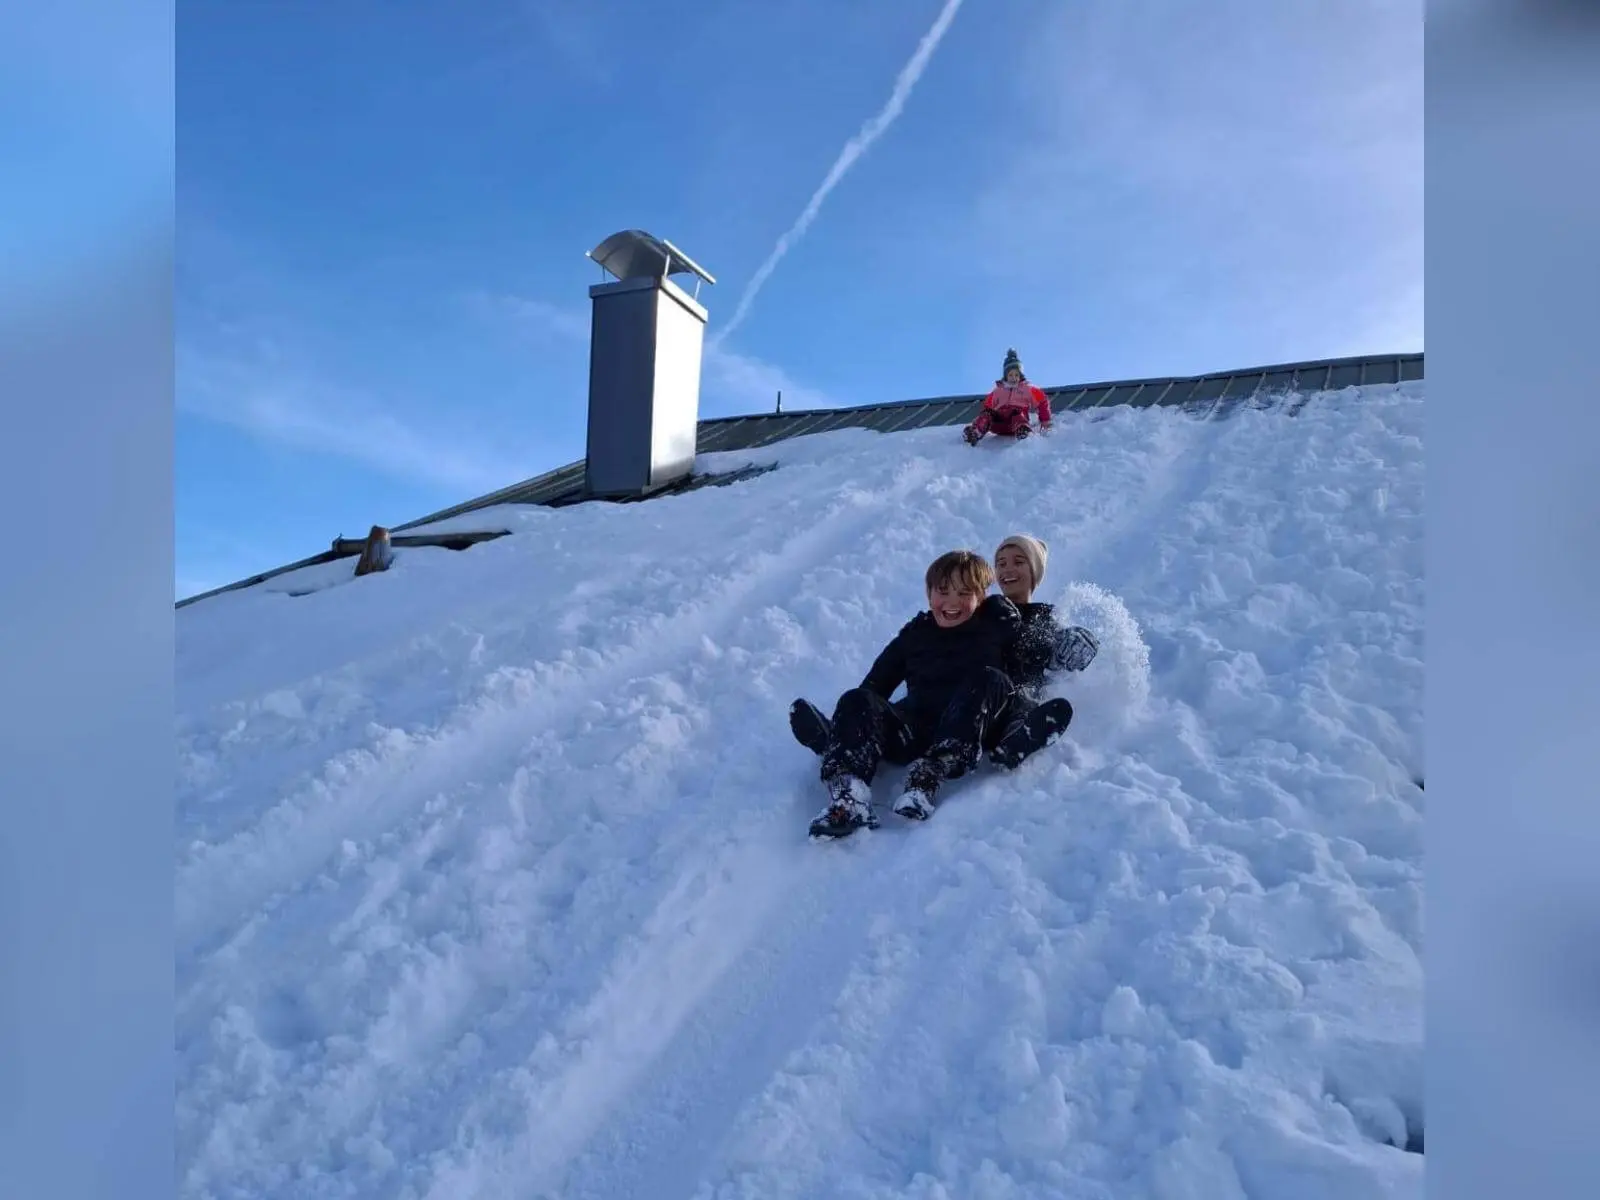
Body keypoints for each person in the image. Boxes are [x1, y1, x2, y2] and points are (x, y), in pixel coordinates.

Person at [793, 550, 1045, 839]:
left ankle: (927, 777)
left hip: (973, 724)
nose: (952, 602)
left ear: (982, 597)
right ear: (928, 594)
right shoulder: (915, 634)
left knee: (992, 678)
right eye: (943, 591)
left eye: (964, 593)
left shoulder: (995, 625)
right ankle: (850, 797)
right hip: (913, 730)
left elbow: (1033, 663)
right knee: (856, 698)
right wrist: (848, 728)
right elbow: (874, 687)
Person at [988, 533, 1099, 768]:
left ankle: (1017, 738)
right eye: (1001, 563)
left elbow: (1058, 660)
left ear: (1034, 572)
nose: (1008, 569)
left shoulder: (1045, 617)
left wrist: (1078, 647)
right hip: (983, 696)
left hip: (1019, 698)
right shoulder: (986, 611)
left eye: (1018, 562)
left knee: (1029, 697)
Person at [963, 348, 1053, 444]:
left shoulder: (1027, 388)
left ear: (1020, 376)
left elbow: (1042, 401)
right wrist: (982, 420)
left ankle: (1023, 432)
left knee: (1016, 412)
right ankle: (976, 432)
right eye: (1010, 375)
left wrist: (1045, 421)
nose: (1013, 378)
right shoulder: (998, 391)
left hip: (1016, 424)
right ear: (1006, 376)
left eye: (1016, 375)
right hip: (999, 424)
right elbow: (987, 406)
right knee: (988, 413)